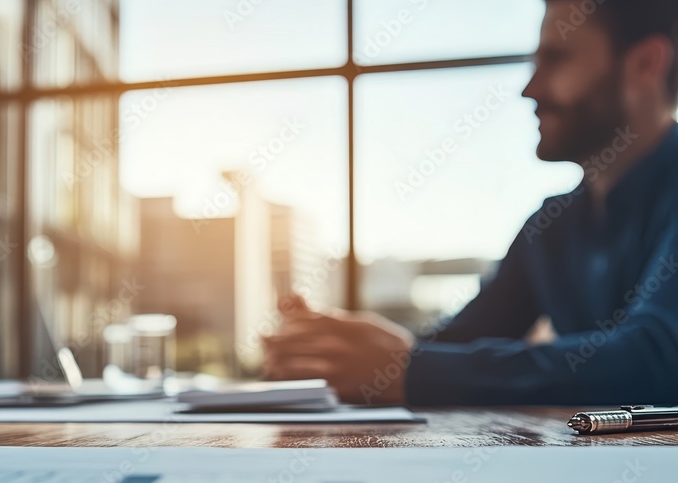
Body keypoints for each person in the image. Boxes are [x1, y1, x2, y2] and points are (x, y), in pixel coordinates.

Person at [265, 0, 678, 406]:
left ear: (645, 63)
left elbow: (656, 360)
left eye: (556, 59)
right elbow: (462, 340)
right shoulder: (553, 225)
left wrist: (408, 370)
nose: (529, 89)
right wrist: (332, 353)